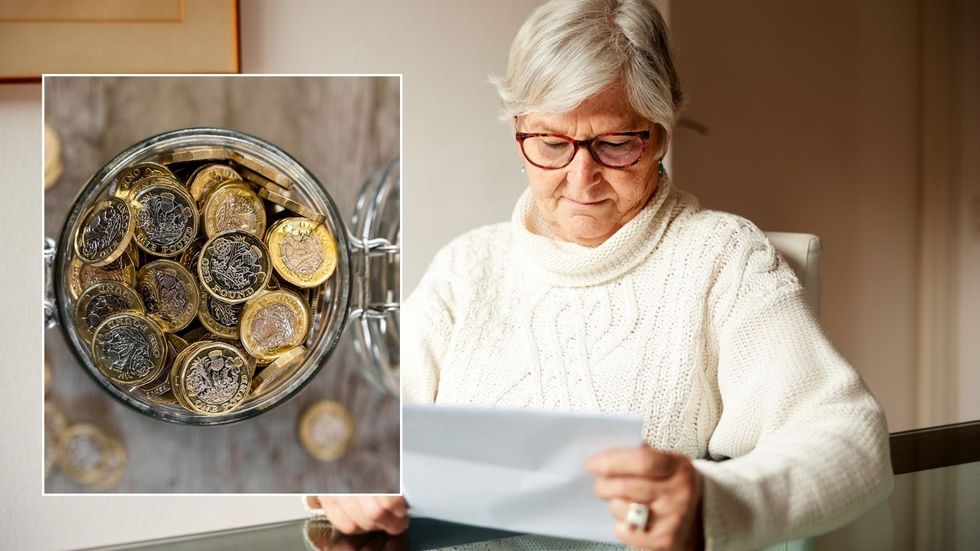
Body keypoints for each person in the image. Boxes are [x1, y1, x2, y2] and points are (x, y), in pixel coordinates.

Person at [314, 0, 893, 549]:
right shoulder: (468, 269)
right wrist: (345, 482)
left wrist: (713, 503)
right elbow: (339, 431)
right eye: (550, 142)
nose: (581, 178)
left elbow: (850, 439)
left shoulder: (722, 258)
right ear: (518, 133)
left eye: (615, 143)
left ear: (661, 133)